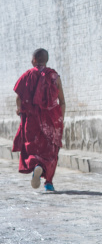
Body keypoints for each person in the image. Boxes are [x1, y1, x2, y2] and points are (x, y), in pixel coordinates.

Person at [12, 48, 66, 191]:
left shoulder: (27, 75)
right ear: (46, 60)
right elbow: (62, 101)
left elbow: (19, 98)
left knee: (33, 149)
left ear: (34, 60)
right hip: (51, 120)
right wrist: (61, 119)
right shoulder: (54, 76)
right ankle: (48, 183)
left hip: (32, 121)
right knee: (51, 151)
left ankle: (37, 166)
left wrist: (19, 110)